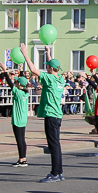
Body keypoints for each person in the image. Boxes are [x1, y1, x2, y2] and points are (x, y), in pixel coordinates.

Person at [19, 43, 66, 183]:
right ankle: (59, 172)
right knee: (56, 144)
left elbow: (33, 69)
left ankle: (55, 173)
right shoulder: (60, 79)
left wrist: (25, 53)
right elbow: (53, 67)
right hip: (57, 114)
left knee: (53, 145)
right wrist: (48, 53)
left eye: (48, 66)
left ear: (50, 68)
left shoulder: (49, 78)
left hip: (51, 115)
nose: (46, 67)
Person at [0, 64, 29, 168]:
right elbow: (23, 80)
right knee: (22, 139)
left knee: (19, 140)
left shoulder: (18, 92)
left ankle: (21, 159)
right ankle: (23, 158)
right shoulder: (25, 93)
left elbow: (9, 82)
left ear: (19, 84)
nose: (15, 83)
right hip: (23, 119)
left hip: (17, 119)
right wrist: (21, 71)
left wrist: (4, 70)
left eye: (17, 82)